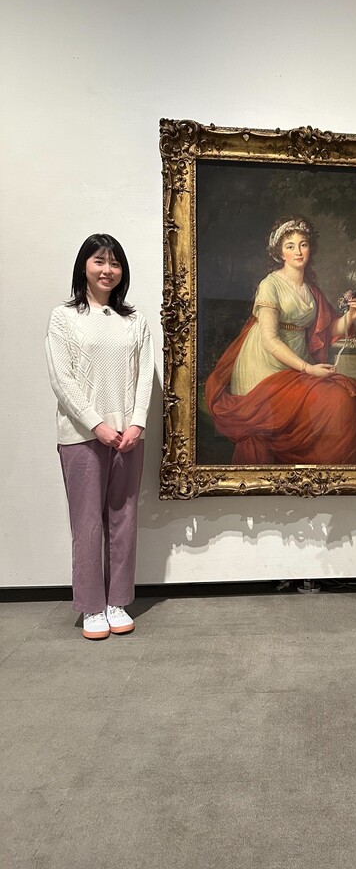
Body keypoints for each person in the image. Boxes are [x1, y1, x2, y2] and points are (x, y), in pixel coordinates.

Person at [206, 216, 356, 465]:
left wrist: (350, 317)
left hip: (298, 359)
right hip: (265, 364)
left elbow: (326, 330)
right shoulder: (270, 285)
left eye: (303, 244)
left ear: (310, 248)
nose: (298, 251)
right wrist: (308, 369)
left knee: (347, 398)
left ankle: (331, 471)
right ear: (280, 253)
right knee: (335, 399)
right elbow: (270, 340)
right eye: (290, 246)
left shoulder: (311, 290)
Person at [46, 234, 154, 640]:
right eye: (99, 261)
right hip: (82, 436)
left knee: (124, 519)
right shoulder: (64, 318)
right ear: (84, 267)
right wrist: (96, 424)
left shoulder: (134, 320)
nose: (107, 270)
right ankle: (92, 606)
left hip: (128, 436)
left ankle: (117, 602)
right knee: (88, 522)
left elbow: (145, 374)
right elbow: (62, 379)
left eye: (115, 263)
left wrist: (137, 423)